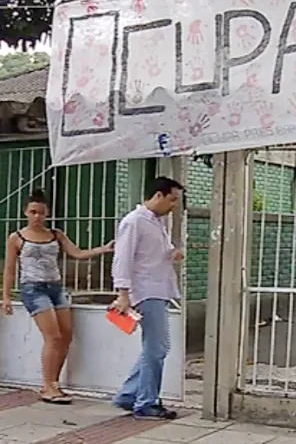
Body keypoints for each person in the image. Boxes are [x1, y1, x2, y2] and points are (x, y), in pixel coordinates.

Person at [2, 188, 114, 404]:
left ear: (47, 214)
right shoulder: (17, 237)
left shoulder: (56, 234)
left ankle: (54, 383)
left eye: (41, 213)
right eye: (33, 212)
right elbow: (9, 269)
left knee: (66, 336)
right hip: (33, 289)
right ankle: (46, 385)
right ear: (25, 212)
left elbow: (77, 253)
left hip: (56, 287)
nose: (37, 216)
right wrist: (6, 297)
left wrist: (104, 249)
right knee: (52, 336)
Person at [110, 176, 184, 420]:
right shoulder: (134, 222)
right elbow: (122, 258)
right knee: (158, 348)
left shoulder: (157, 222)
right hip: (145, 291)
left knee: (154, 348)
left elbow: (150, 255)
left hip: (158, 289)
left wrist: (171, 253)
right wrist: (122, 293)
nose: (174, 205)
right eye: (172, 199)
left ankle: (130, 395)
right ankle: (146, 402)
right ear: (158, 195)